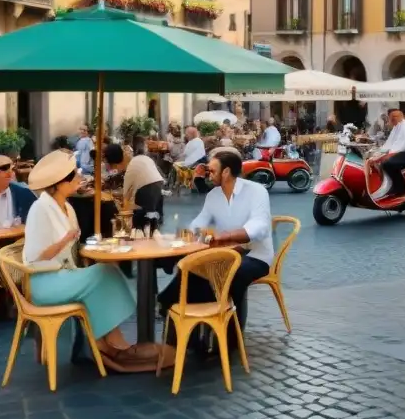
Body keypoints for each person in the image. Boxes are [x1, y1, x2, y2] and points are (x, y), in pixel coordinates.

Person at [23, 151, 151, 369]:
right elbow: (37, 256)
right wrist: (65, 239)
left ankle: (108, 340)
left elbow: (74, 248)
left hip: (65, 274)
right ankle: (109, 343)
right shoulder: (40, 209)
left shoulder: (68, 208)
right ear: (59, 184)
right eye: (73, 177)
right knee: (102, 273)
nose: (78, 179)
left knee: (107, 270)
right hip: (44, 280)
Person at [157, 150, 272, 351]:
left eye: (211, 170)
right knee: (194, 269)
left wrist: (226, 236)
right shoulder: (213, 196)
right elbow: (199, 223)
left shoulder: (256, 191)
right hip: (226, 254)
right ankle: (197, 332)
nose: (207, 174)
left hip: (256, 256)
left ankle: (224, 337)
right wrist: (182, 235)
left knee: (220, 274)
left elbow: (260, 226)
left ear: (226, 172)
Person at [370, 108, 405, 198]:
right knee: (381, 161)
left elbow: (396, 149)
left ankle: (399, 187)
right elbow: (389, 143)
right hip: (403, 153)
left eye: (396, 116)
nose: (394, 119)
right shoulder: (397, 127)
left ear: (401, 116)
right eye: (392, 117)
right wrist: (376, 152)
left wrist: (381, 157)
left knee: (387, 164)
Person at [122, 153, 165, 231]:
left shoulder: (130, 168)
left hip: (146, 188)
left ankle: (141, 233)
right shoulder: (141, 158)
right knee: (154, 214)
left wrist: (124, 203)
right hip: (158, 183)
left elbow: (125, 193)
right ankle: (155, 230)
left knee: (142, 217)